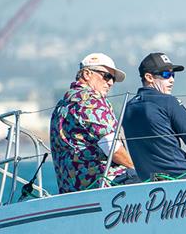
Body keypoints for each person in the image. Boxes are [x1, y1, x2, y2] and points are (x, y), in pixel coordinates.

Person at [50, 53, 137, 193]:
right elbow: (111, 146)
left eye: (113, 79)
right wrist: (138, 168)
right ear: (86, 74)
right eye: (107, 76)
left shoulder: (62, 104)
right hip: (103, 182)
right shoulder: (90, 100)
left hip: (71, 188)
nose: (110, 83)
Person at [122, 52, 186, 181]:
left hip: (148, 182)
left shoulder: (127, 108)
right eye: (166, 74)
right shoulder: (169, 102)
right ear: (149, 77)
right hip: (183, 177)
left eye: (173, 74)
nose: (172, 79)